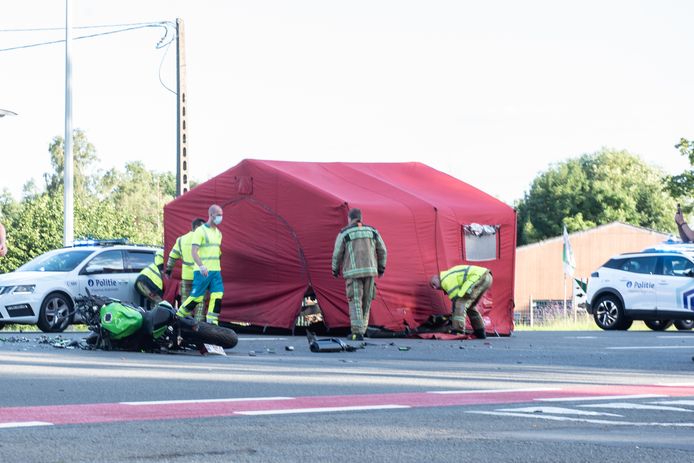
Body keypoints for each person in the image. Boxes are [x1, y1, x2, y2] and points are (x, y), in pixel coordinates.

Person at [331, 208, 387, 341]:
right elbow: (383, 251)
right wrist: (381, 268)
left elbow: (337, 253)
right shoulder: (372, 231)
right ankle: (362, 329)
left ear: (350, 219)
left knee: (355, 301)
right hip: (370, 271)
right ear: (360, 218)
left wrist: (335, 270)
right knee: (366, 301)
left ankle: (357, 332)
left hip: (352, 272)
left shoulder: (345, 233)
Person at [176, 204, 224, 325]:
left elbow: (217, 252)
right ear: (211, 215)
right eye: (218, 215)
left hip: (216, 271)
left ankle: (212, 321)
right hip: (202, 271)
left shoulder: (218, 233)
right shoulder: (200, 231)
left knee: (217, 294)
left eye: (222, 215)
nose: (220, 217)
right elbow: (194, 251)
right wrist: (201, 266)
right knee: (196, 297)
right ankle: (177, 316)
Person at [429, 264, 492, 339]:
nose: (434, 288)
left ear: (437, 278)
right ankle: (480, 331)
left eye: (433, 284)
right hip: (487, 277)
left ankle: (458, 331)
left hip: (478, 277)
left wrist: (452, 317)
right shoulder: (450, 274)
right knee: (471, 307)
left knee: (460, 303)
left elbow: (456, 299)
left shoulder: (445, 279)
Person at [165, 217, 206, 319]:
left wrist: (168, 270)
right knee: (199, 303)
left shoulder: (181, 240)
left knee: (186, 303)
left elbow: (172, 256)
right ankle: (198, 327)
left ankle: (186, 325)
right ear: (197, 227)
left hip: (186, 278)